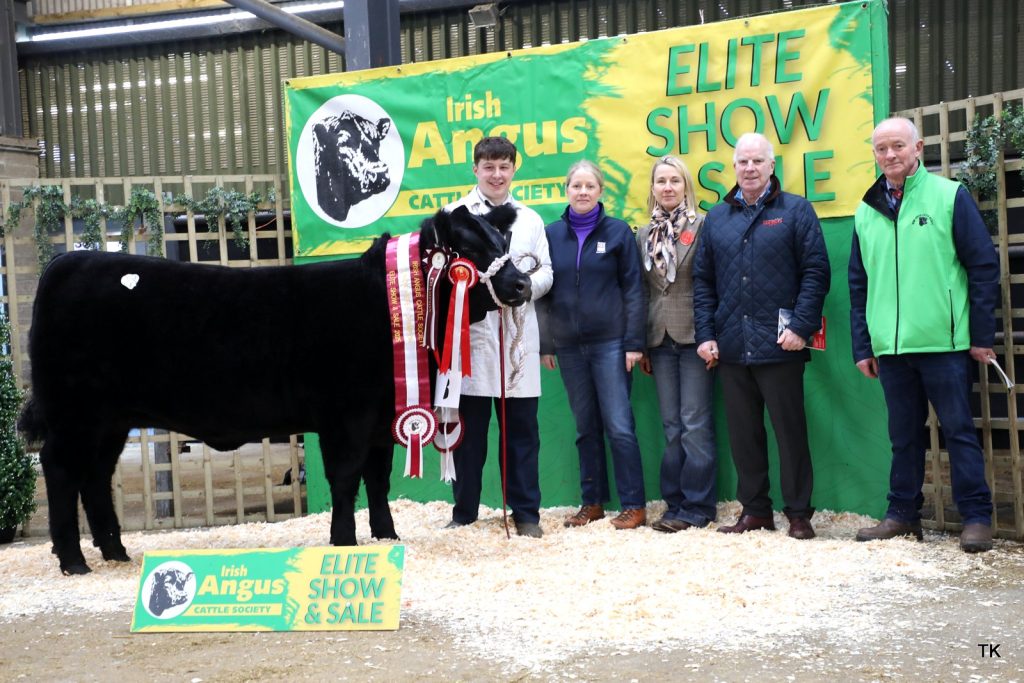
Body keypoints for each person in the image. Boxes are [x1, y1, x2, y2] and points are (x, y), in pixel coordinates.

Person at [849, 117, 999, 553]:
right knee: (903, 437)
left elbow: (983, 267)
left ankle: (976, 518)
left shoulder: (949, 195)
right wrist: (864, 344)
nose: (890, 155)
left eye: (898, 146)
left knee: (958, 432)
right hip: (891, 348)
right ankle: (902, 515)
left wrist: (980, 334)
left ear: (919, 147)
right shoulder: (866, 209)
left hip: (944, 343)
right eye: (881, 148)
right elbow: (859, 284)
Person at [693, 132, 830, 540]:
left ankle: (799, 514)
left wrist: (801, 328)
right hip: (732, 347)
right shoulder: (717, 217)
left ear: (772, 165)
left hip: (781, 346)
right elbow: (703, 281)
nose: (749, 168)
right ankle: (755, 511)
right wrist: (706, 334)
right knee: (743, 435)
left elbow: (816, 272)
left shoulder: (796, 210)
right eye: (742, 162)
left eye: (757, 161)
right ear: (733, 168)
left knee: (790, 433)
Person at [444, 136, 553, 538]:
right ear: (475, 169)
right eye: (488, 167)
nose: (496, 174)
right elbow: (438, 276)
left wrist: (525, 287)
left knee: (522, 434)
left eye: (504, 166)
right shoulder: (453, 215)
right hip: (470, 340)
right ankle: (464, 513)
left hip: (518, 340)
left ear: (514, 169)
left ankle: (526, 514)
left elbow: (546, 271)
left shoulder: (530, 219)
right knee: (467, 436)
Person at [538, 160, 648, 530]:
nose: (583, 192)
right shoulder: (551, 234)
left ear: (601, 191)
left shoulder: (618, 232)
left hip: (612, 344)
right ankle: (592, 503)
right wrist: (546, 345)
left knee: (619, 425)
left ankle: (633, 505)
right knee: (585, 427)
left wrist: (635, 342)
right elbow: (543, 293)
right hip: (568, 347)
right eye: (576, 186)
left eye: (590, 186)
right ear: (566, 190)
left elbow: (634, 289)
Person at [636, 155, 717, 533]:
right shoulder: (641, 234)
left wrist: (711, 334)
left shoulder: (704, 225)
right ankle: (675, 504)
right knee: (671, 426)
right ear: (652, 188)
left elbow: (710, 283)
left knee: (694, 423)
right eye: (661, 181)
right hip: (659, 338)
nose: (667, 187)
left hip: (695, 337)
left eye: (675, 181)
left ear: (686, 186)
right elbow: (640, 291)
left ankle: (699, 507)